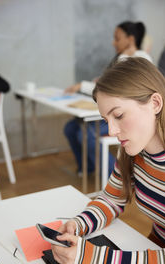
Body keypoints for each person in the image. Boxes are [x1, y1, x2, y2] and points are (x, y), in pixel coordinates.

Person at [52, 57, 165, 264]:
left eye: (119, 115)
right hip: (157, 251)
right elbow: (111, 200)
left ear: (155, 103)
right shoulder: (132, 150)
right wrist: (78, 224)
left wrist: (94, 256)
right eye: (107, 120)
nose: (112, 131)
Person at [64, 21, 152, 177]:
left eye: (117, 38)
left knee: (86, 133)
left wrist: (82, 85)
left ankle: (116, 177)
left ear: (130, 39)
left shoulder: (139, 59)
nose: (113, 43)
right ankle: (89, 167)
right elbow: (105, 86)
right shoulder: (122, 58)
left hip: (122, 116)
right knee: (71, 127)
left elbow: (114, 92)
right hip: (112, 112)